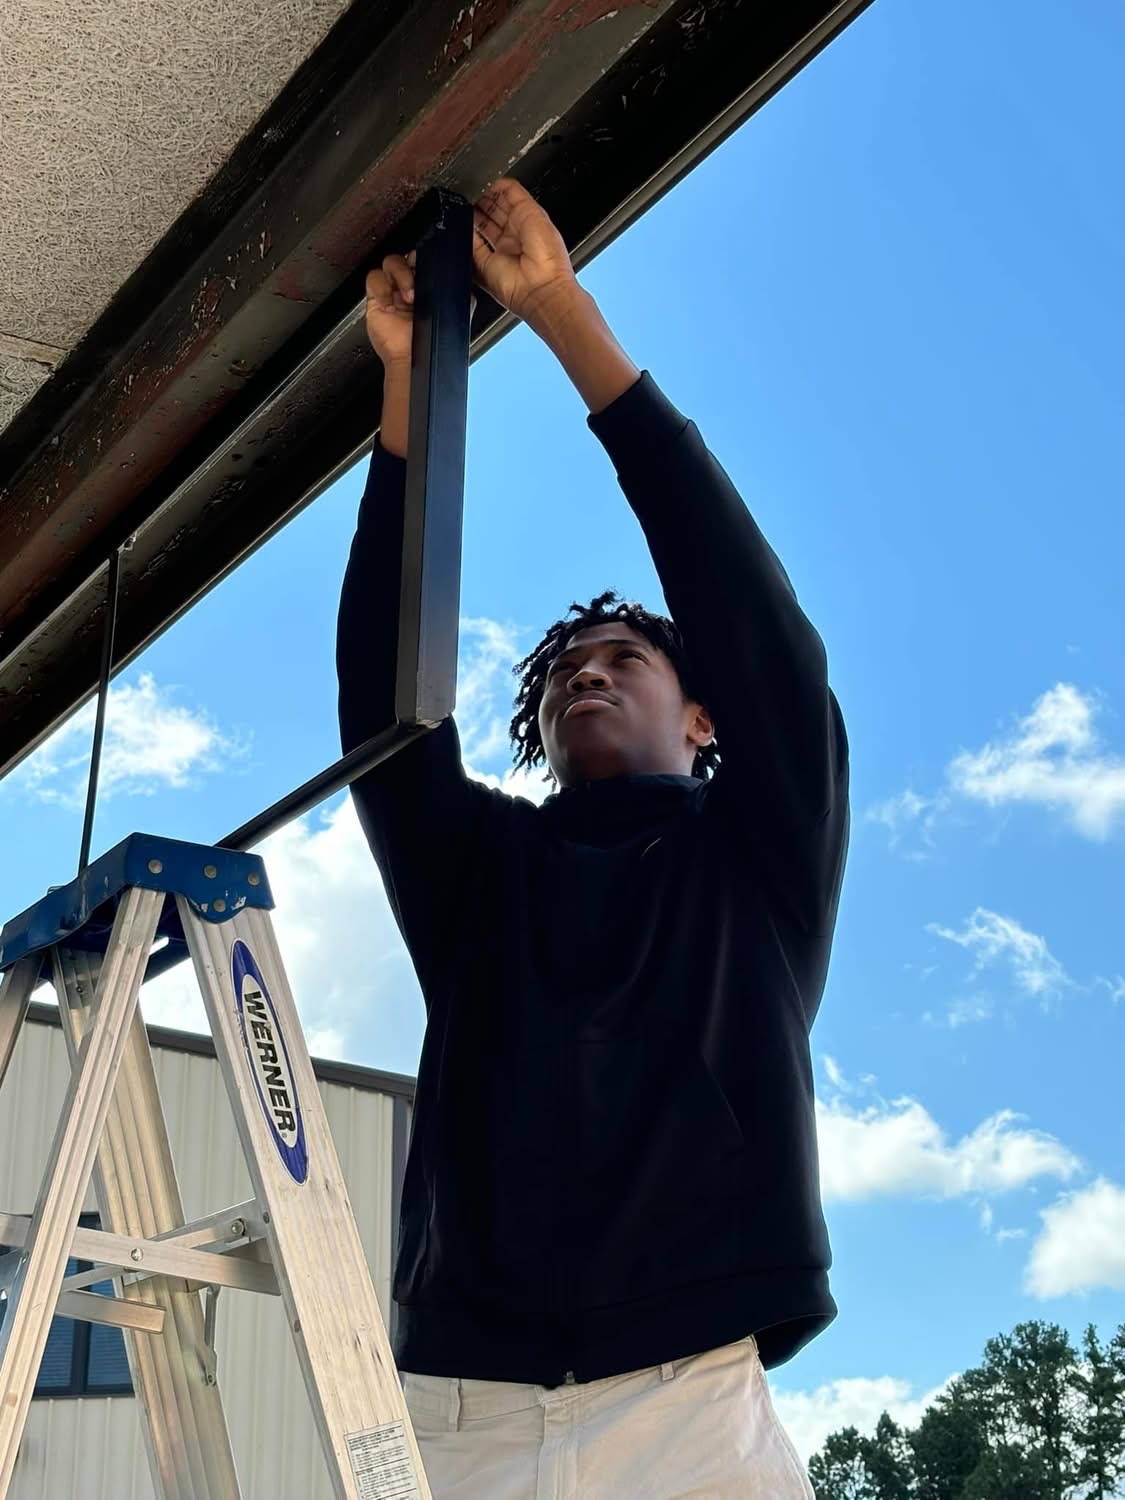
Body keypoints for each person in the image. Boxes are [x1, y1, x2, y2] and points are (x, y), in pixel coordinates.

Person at [337, 179, 849, 1500]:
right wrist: (407, 398)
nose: (585, 671)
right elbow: (380, 711)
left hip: (690, 1413)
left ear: (702, 720)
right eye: (564, 665)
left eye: (625, 656)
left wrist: (563, 317)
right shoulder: (480, 875)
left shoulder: (756, 857)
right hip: (467, 1417)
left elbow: (758, 628)